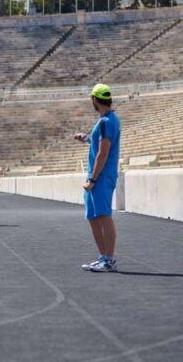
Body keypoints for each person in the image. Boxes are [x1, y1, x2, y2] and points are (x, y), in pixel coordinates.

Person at [73, 84, 121, 273]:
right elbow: (99, 144)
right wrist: (86, 138)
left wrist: (92, 180)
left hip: (100, 175)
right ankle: (103, 257)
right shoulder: (105, 120)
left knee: (103, 215)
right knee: (93, 216)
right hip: (96, 174)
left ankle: (109, 259)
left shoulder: (106, 121)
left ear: (94, 99)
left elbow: (103, 152)